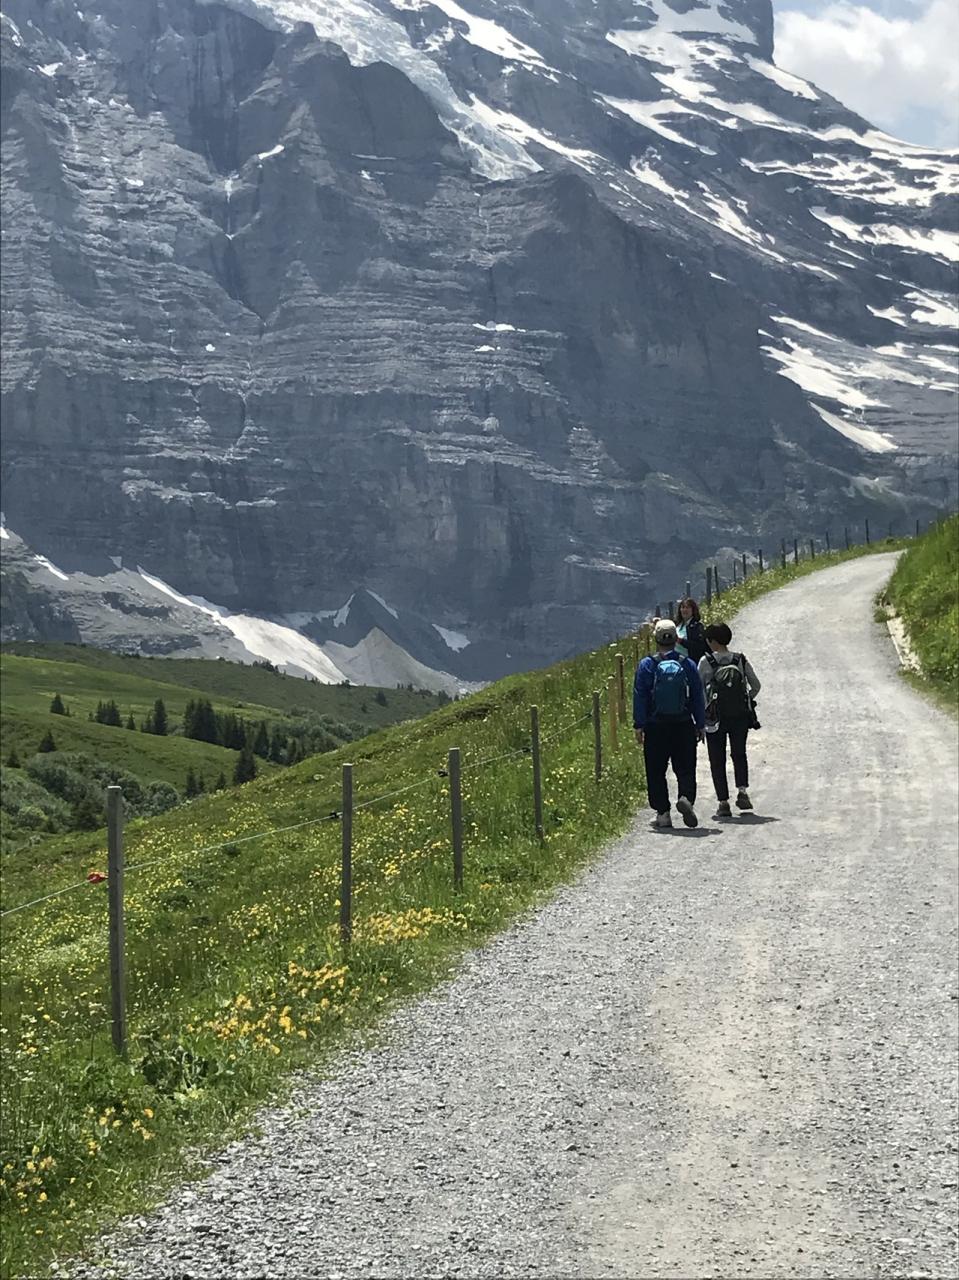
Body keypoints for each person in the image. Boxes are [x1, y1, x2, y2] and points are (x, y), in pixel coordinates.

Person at [634, 618, 706, 828]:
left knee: (656, 769)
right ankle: (685, 797)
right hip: (683, 723)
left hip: (656, 725)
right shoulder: (688, 664)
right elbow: (697, 696)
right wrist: (700, 723)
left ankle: (663, 813)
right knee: (685, 767)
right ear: (676, 639)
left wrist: (639, 724)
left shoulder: (647, 665)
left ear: (656, 639)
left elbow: (640, 696)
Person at [698, 622, 762, 818]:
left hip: (715, 717)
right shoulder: (739, 659)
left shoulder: (706, 661)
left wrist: (703, 712)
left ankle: (723, 802)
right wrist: (746, 699)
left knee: (717, 758)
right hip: (739, 715)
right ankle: (742, 791)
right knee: (739, 753)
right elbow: (756, 685)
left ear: (712, 641)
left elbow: (699, 691)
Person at [675, 598, 708, 663]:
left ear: (693, 610)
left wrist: (682, 641)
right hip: (676, 660)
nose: (685, 610)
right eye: (683, 607)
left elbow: (699, 646)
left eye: (687, 607)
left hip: (690, 661)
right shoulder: (676, 625)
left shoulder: (697, 626)